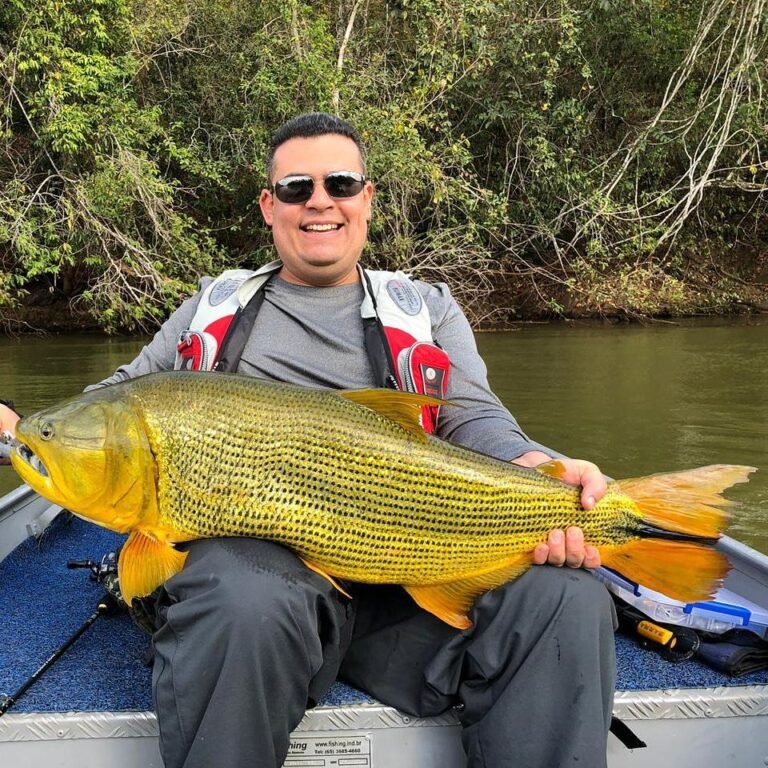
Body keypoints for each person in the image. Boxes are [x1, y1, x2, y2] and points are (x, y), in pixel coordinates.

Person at [0, 112, 616, 768]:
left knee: (567, 595)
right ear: (270, 207)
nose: (319, 201)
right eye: (296, 187)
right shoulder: (213, 307)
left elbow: (476, 419)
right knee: (240, 600)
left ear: (366, 200)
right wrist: (13, 426)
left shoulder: (426, 308)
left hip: (413, 570)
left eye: (340, 183)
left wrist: (541, 466)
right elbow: (112, 406)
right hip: (258, 590)